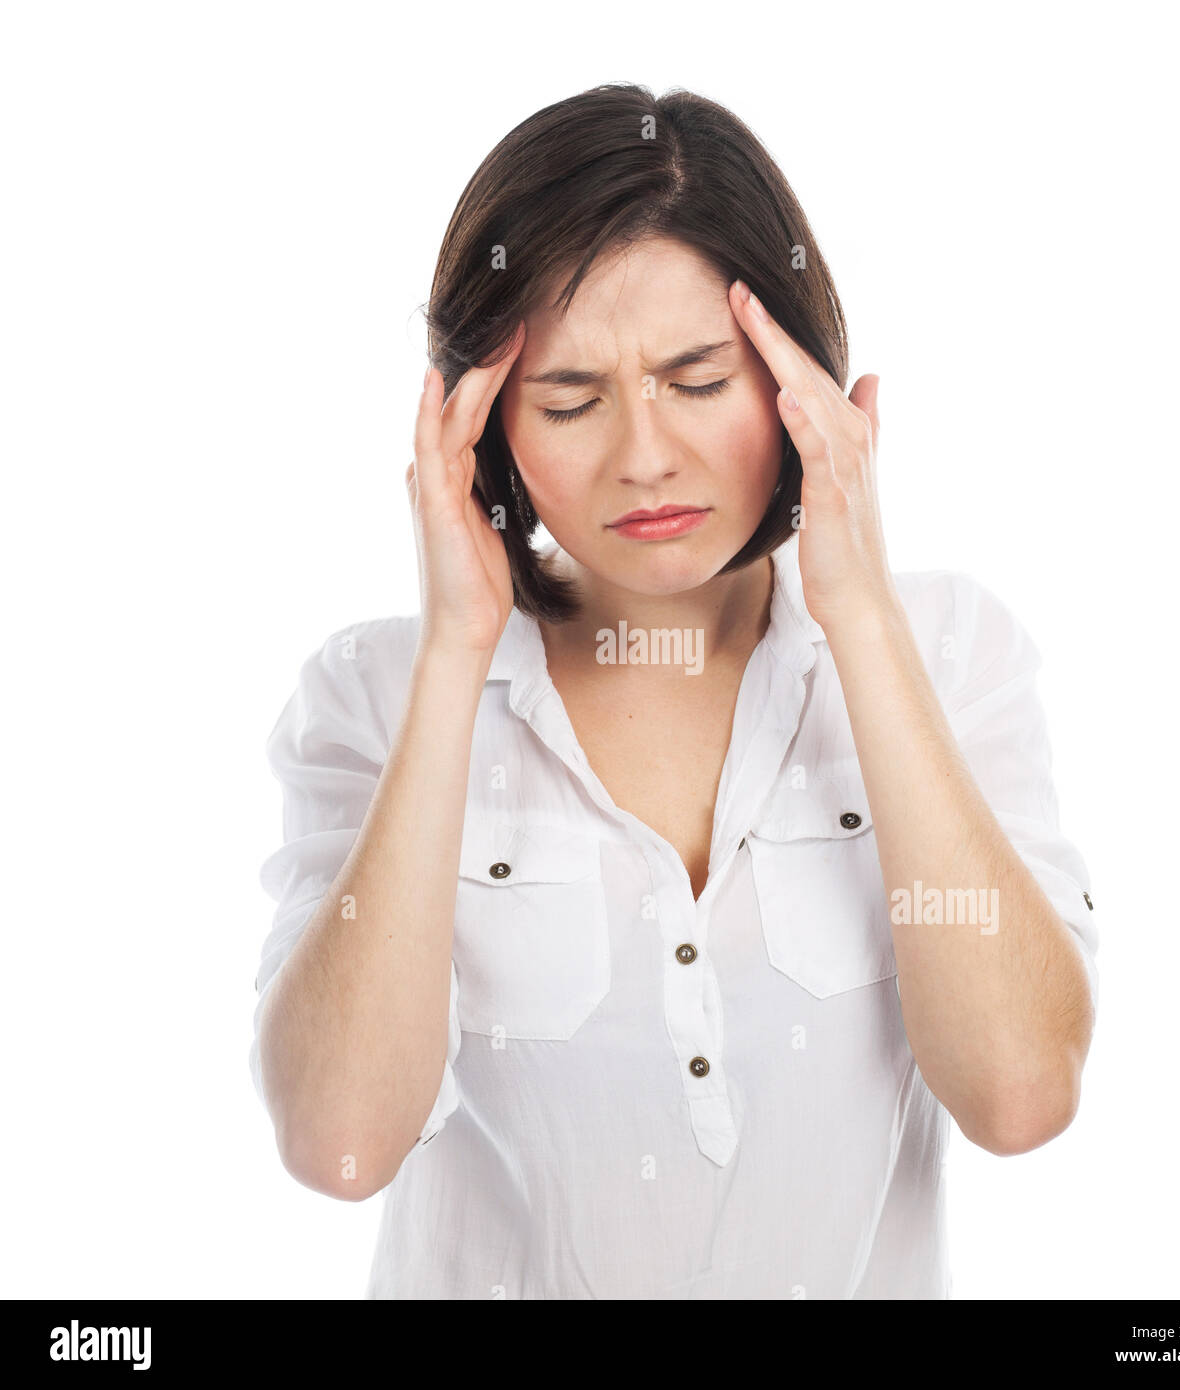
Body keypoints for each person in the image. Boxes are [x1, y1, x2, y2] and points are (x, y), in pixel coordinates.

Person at [249, 82, 1099, 1299]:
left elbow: (1020, 1095)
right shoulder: (375, 693)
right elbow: (338, 1143)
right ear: (480, 427)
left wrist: (857, 612)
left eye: (698, 381)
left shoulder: (951, 655)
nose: (643, 455)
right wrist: (454, 658)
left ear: (797, 375)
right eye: (571, 400)